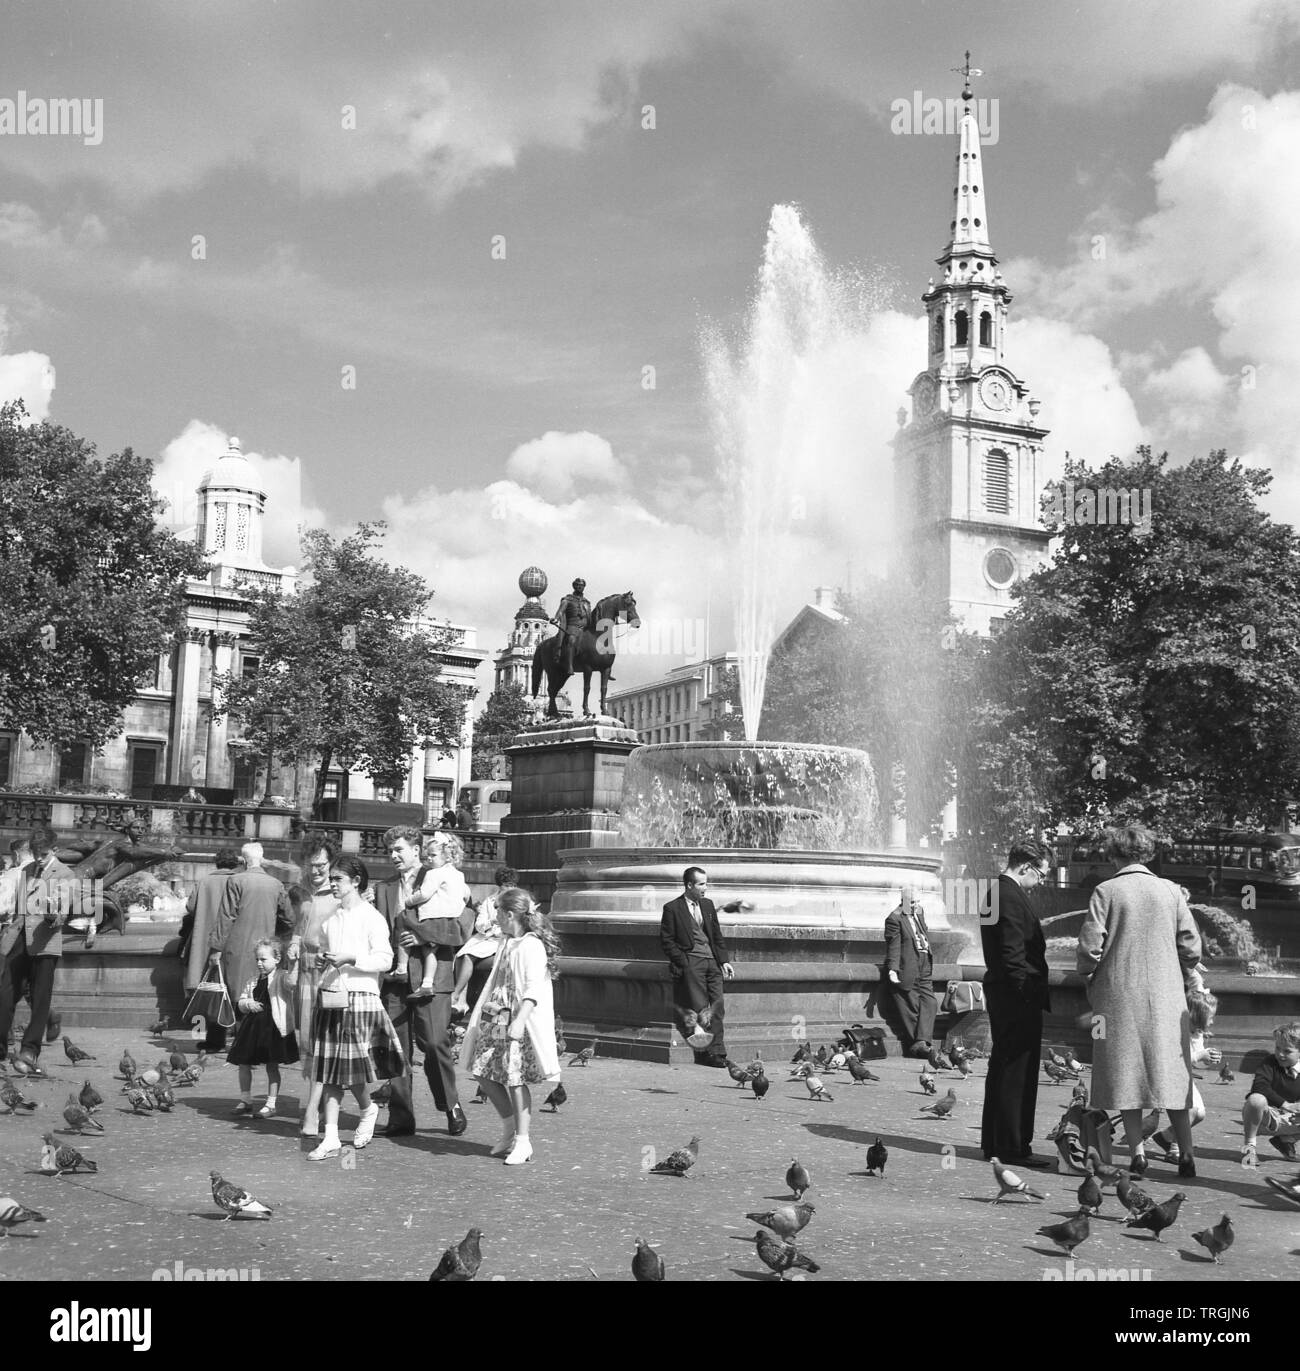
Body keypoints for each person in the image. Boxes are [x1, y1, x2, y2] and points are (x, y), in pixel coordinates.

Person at [1077, 822, 1203, 1179]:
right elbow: (1191, 945)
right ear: (1148, 853)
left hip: (1116, 996)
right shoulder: (1171, 892)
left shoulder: (1106, 890)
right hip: (1167, 996)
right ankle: (1188, 1154)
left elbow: (1090, 947)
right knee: (1174, 1076)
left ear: (1114, 854)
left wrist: (1089, 974)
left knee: (1124, 1072)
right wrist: (1181, 969)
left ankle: (1137, 1153)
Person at [374, 825, 475, 1138]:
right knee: (396, 1049)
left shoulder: (442, 873)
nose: (393, 856)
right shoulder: (383, 888)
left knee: (433, 1042)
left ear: (417, 849)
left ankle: (450, 1104)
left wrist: (420, 934)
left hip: (432, 977)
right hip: (394, 979)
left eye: (399, 850)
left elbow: (464, 925)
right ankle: (401, 1116)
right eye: (389, 851)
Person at [308, 856, 406, 1160]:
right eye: (332, 878)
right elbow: (329, 956)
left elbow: (385, 960)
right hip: (332, 997)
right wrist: (324, 961)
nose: (332, 883)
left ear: (355, 881)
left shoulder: (371, 917)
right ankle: (333, 1137)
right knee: (330, 1071)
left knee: (349, 1072)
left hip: (361, 998)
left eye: (338, 879)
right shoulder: (330, 920)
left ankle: (367, 1109)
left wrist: (351, 959)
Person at [460, 888, 561, 1164]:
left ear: (509, 914)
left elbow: (533, 989)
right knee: (483, 1070)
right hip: (497, 1015)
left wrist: (519, 1021)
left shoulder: (531, 945)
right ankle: (508, 1127)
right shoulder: (506, 941)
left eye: (498, 915)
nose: (495, 921)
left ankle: (523, 1140)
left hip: (518, 1018)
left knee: (514, 1076)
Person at [980, 837, 1054, 1168]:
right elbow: (1012, 954)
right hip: (1016, 996)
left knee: (1003, 1067)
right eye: (1040, 874)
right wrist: (1026, 992)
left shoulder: (995, 892)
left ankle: (996, 1142)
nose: (1040, 882)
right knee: (1016, 1072)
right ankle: (1012, 1146)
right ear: (1025, 867)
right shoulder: (1008, 895)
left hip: (1003, 993)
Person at [0, 826, 76, 1075]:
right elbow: (20, 908)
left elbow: (62, 914)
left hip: (45, 942)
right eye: (35, 853)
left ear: (54, 850)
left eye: (43, 853)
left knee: (41, 998)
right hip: (20, 938)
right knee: (5, 994)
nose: (39, 858)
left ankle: (30, 1049)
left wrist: (53, 914)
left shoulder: (65, 874)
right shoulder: (26, 870)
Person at [660, 866, 752, 1068]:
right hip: (692, 963)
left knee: (718, 1007)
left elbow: (716, 935)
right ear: (689, 885)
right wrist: (684, 962)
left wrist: (724, 961)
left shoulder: (708, 905)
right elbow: (666, 941)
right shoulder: (672, 908)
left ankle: (718, 1051)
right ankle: (707, 1054)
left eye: (706, 883)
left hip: (712, 963)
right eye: (701, 883)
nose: (706, 887)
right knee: (702, 1009)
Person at [290, 836, 340, 1137]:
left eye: (321, 865)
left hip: (329, 971)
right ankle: (316, 1102)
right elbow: (299, 925)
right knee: (308, 1041)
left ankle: (314, 1110)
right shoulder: (302, 890)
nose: (316, 871)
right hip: (306, 971)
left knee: (325, 1041)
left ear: (331, 862)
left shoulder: (339, 891)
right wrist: (294, 946)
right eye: (311, 866)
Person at [208, 841, 292, 1015]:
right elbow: (289, 918)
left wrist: (216, 948)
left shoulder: (235, 880)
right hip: (266, 948)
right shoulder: (276, 884)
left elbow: (226, 916)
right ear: (261, 859)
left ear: (244, 861)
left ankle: (223, 1034)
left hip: (237, 946)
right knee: (261, 990)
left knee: (232, 990)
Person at [227, 938, 299, 1117]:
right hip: (252, 1027)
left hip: (273, 1028)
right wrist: (247, 1003)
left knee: (271, 1065)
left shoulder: (281, 976)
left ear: (276, 959)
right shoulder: (253, 980)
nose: (259, 963)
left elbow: (292, 984)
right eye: (257, 959)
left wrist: (293, 964)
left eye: (264, 959)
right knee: (243, 1062)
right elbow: (242, 1000)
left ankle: (271, 1103)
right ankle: (245, 1099)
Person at [1149, 981, 1218, 1165]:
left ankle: (1167, 1136)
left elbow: (1195, 1060)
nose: (1213, 1021)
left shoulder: (1197, 1033)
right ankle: (1174, 1148)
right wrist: (1199, 1056)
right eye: (1210, 1017)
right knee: (1192, 1110)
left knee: (1200, 1113)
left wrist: (1206, 1058)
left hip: (1185, 1077)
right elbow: (1178, 1058)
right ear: (1198, 1017)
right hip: (1171, 1077)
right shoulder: (1178, 1030)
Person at [401, 834, 472, 1005]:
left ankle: (406, 970)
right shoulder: (459, 875)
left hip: (434, 917)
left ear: (447, 856)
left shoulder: (434, 874)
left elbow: (424, 894)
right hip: (452, 919)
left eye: (433, 855)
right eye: (428, 856)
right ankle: (427, 983)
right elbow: (465, 894)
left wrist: (409, 899)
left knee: (419, 938)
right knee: (432, 949)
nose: (429, 859)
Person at [181, 847, 241, 1050]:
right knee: (232, 988)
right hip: (232, 942)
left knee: (212, 991)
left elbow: (190, 907)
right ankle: (237, 1037)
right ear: (235, 864)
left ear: (217, 863)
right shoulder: (240, 881)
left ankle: (214, 1039)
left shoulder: (205, 881)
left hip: (206, 942)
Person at [451, 864, 515, 1016]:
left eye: (511, 885)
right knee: (459, 956)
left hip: (498, 940)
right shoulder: (490, 900)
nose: (507, 889)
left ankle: (456, 994)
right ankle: (462, 1002)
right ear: (499, 886)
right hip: (484, 936)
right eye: (504, 886)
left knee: (468, 956)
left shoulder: (516, 900)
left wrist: (498, 929)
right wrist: (490, 923)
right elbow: (480, 924)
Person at [882, 887, 936, 1057]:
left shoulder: (919, 911)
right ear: (903, 901)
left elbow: (923, 932)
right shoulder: (894, 918)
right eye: (912, 903)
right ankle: (920, 1044)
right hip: (909, 964)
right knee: (911, 1003)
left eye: (917, 902)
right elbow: (894, 946)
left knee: (931, 1002)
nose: (915, 906)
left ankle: (920, 1042)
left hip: (925, 961)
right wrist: (892, 969)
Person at [1240, 1022, 1300, 1168]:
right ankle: (1249, 1148)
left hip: (1290, 1120)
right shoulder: (1270, 1062)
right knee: (1256, 1099)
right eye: (1277, 1048)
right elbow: (1259, 1086)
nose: (1280, 1054)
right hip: (1265, 1115)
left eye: (1287, 1051)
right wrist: (1285, 1104)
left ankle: (1286, 1140)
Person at [550, 577, 590, 678]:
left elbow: (589, 615)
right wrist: (556, 619)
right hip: (573, 626)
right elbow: (560, 611)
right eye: (578, 585)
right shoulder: (567, 600)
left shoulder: (587, 602)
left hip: (585, 627)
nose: (580, 587)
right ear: (574, 586)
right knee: (571, 640)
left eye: (582, 586)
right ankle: (570, 666)